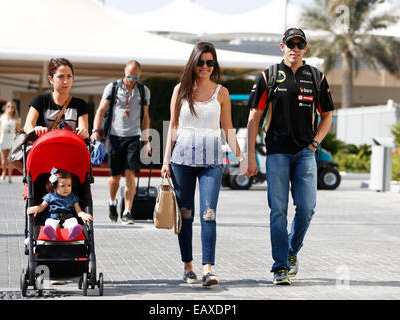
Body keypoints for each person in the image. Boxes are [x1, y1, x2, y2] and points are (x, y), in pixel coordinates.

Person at [245, 27, 335, 285]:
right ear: (281, 46)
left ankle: (292, 252)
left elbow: (327, 115)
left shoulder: (316, 77)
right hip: (276, 154)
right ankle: (280, 266)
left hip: (305, 154)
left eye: (300, 44)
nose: (295, 48)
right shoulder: (269, 76)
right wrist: (250, 157)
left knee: (307, 209)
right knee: (278, 212)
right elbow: (254, 118)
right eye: (290, 43)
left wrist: (315, 144)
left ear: (305, 48)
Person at [161, 42, 244, 286]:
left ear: (214, 65)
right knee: (185, 215)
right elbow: (173, 127)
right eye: (201, 62)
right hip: (182, 161)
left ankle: (208, 269)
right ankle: (188, 267)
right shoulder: (180, 90)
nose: (205, 66)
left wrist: (244, 159)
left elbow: (227, 129)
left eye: (210, 62)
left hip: (211, 162)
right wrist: (166, 160)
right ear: (193, 63)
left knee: (209, 214)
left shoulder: (222, 93)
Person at [91, 60, 151, 225]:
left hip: (134, 137)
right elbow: (101, 110)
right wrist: (95, 131)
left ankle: (127, 212)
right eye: (129, 75)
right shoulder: (113, 87)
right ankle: (112, 202)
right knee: (115, 178)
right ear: (125, 71)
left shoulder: (143, 91)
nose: (132, 79)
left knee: (130, 174)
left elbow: (145, 117)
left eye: (135, 77)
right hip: (115, 137)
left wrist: (146, 139)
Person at [23, 58, 89, 139]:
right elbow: (27, 127)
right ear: (51, 79)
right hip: (45, 149)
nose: (65, 81)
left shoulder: (80, 104)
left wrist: (83, 133)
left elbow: (84, 130)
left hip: (70, 149)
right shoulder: (40, 100)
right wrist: (35, 130)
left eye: (69, 76)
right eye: (60, 76)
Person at [26, 168, 93, 241]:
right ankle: (51, 233)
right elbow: (41, 207)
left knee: (73, 221)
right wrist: (35, 209)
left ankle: (73, 233)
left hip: (68, 218)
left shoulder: (73, 197)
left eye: (69, 185)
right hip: (53, 218)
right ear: (54, 187)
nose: (66, 188)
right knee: (49, 222)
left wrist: (83, 214)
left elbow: (78, 210)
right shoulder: (50, 196)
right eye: (62, 186)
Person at [0, 101, 21, 183]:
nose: (10, 108)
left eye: (12, 107)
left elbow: (18, 131)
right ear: (6, 108)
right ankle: (4, 172)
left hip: (12, 141)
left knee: (11, 160)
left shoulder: (17, 119)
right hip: (3, 140)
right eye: (9, 106)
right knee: (3, 160)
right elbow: (0, 129)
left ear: (14, 109)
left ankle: (10, 176)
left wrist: (18, 142)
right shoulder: (2, 117)